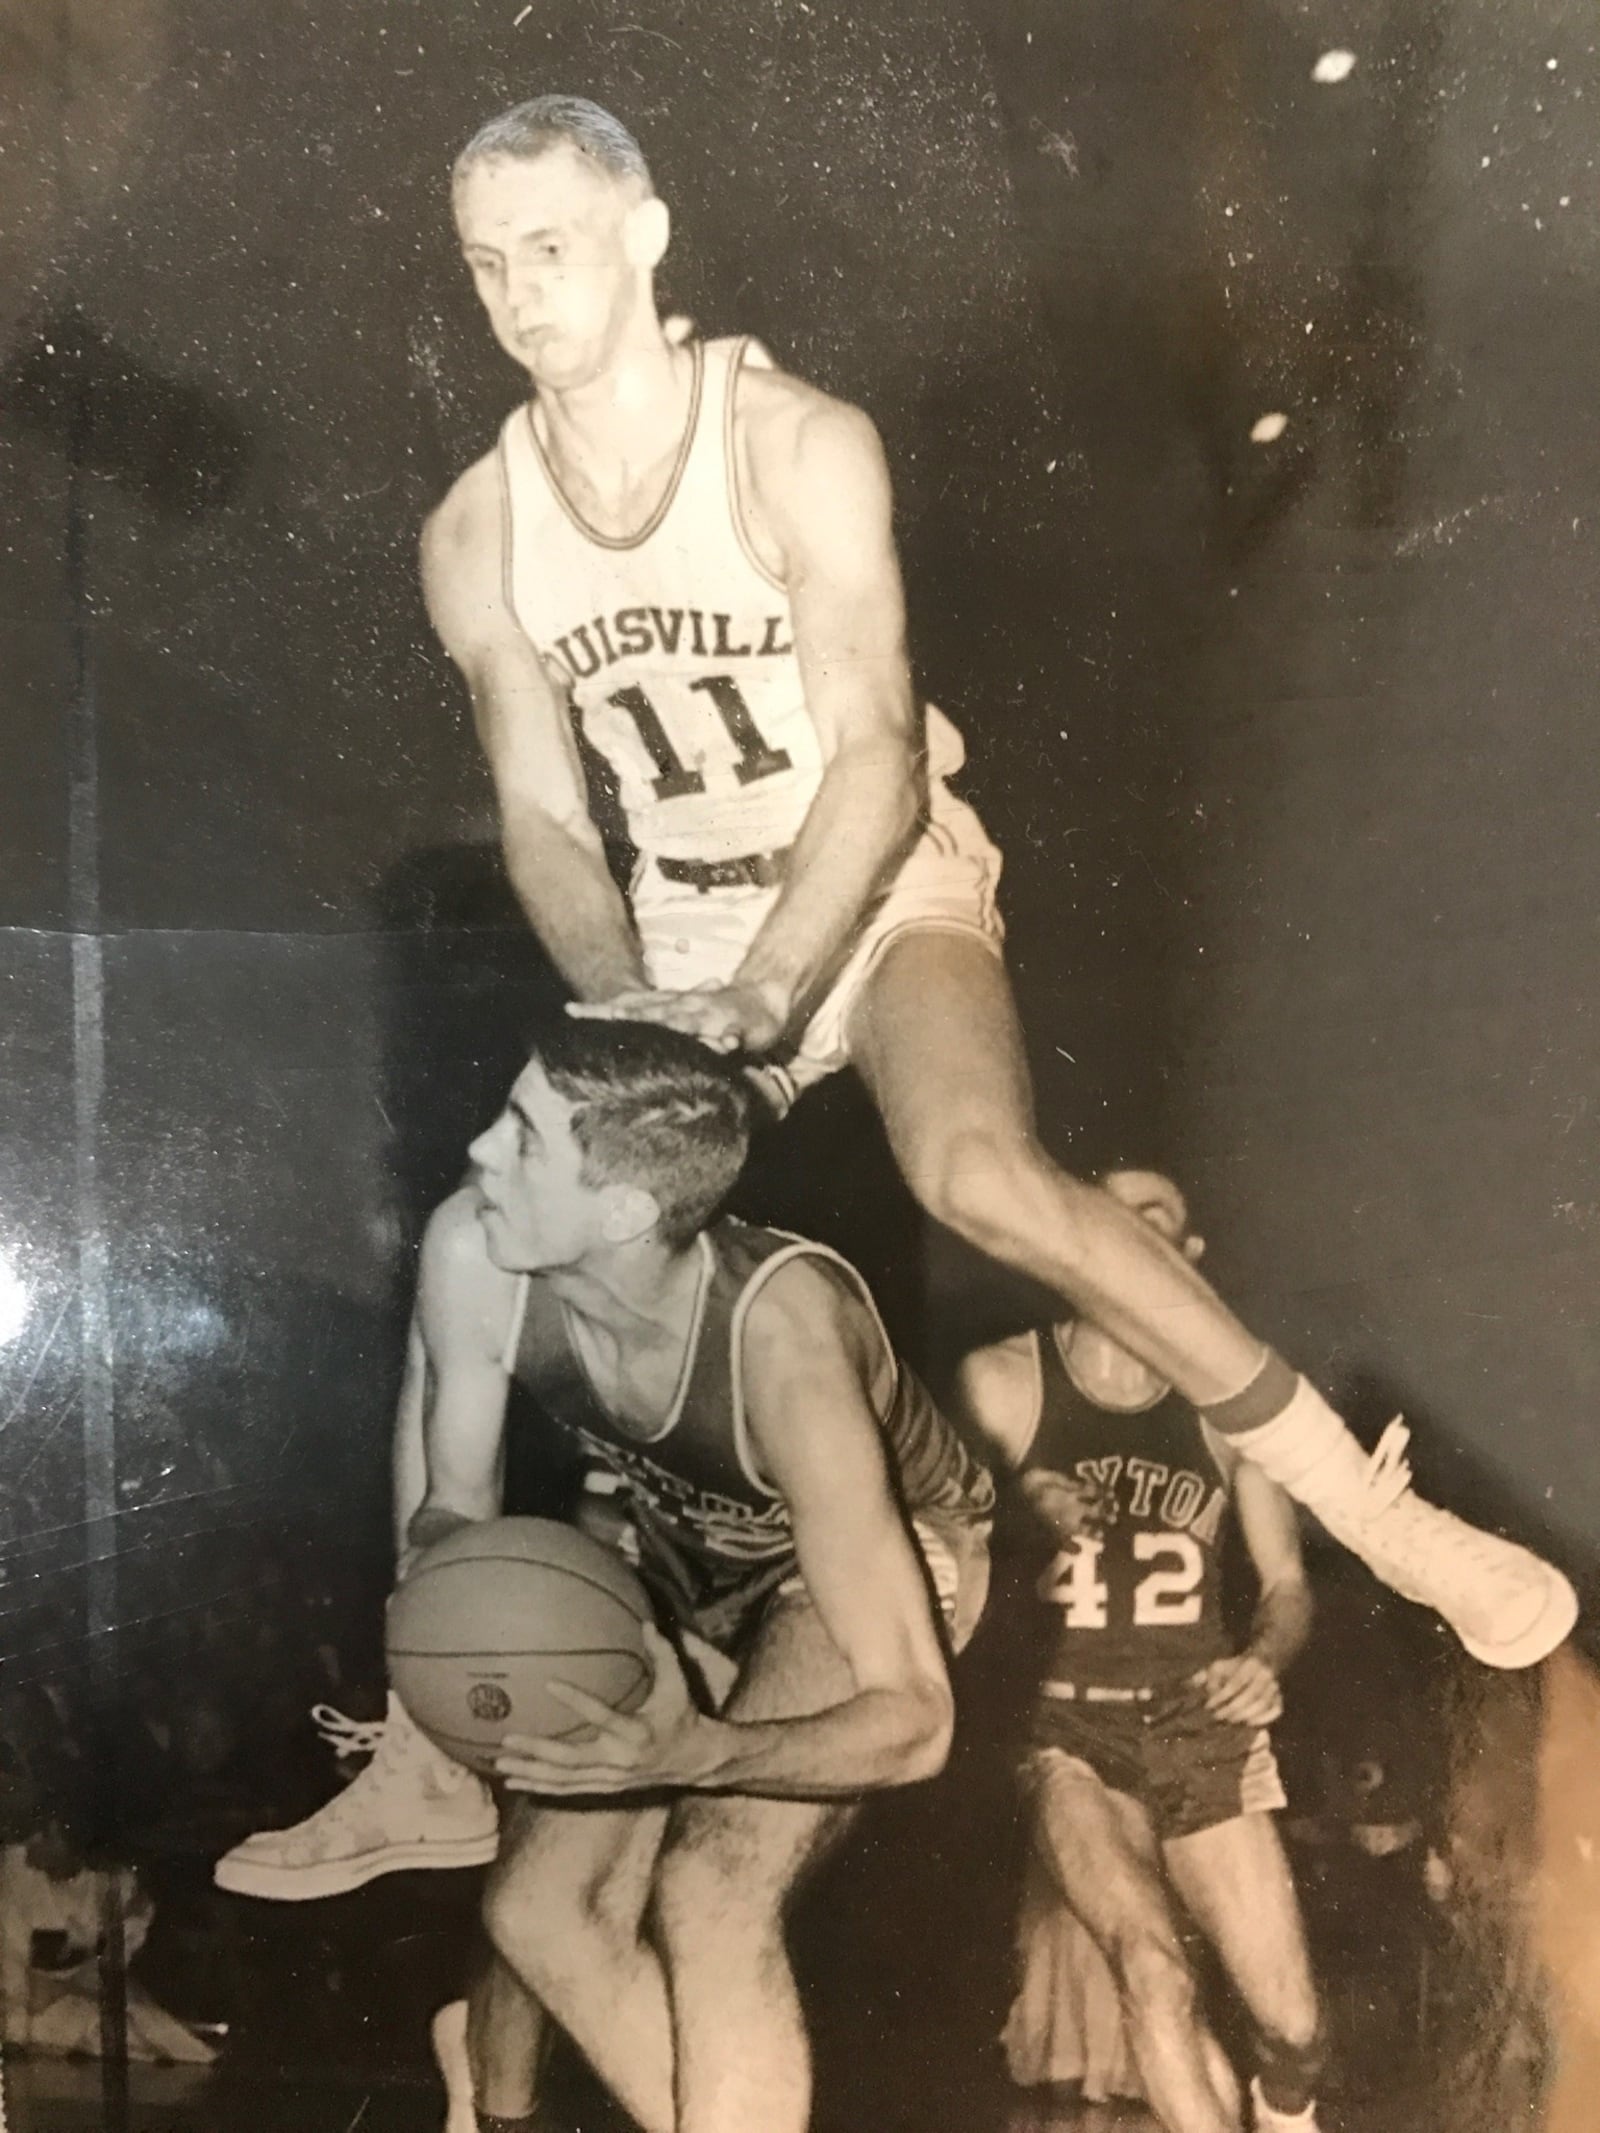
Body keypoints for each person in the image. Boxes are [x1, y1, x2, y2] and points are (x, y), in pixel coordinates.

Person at [216, 87, 1571, 1905]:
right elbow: (543, 812)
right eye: (485, 265)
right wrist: (633, 1001)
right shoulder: (481, 530)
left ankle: (1377, 1516)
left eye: (552, 247)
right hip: (677, 940)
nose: (522, 293)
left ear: (646, 236)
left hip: (874, 880)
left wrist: (772, 991)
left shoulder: (794, 444)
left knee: (981, 1176)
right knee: (483, 1235)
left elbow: (868, 753)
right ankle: (425, 1751)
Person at [239, 1016, 994, 2133]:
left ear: (623, 1212)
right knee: (542, 1909)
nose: (481, 1153)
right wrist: (446, 1687)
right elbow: (455, 1513)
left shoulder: (784, 1341)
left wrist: (711, 1751)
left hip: (874, 1570)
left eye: (522, 1136)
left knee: (711, 1889)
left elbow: (918, 1724)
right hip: (677, 1550)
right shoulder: (475, 1246)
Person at [962, 1172, 1324, 2133]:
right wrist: (1003, 1521)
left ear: (1186, 1253)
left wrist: (1265, 1659)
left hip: (1198, 1718)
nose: (1119, 1224)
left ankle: (1286, 2101)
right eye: (1099, 1207)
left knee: (1293, 2025)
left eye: (1150, 1213)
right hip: (1064, 1727)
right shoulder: (1001, 1381)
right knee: (1153, 1971)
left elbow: (1287, 1585)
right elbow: (912, 1557)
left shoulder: (1225, 1402)